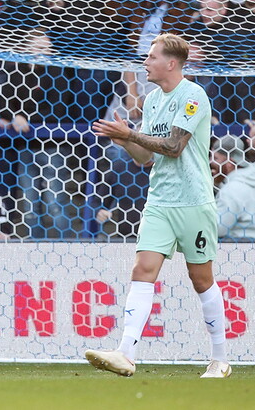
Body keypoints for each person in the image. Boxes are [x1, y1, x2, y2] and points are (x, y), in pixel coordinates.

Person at [88, 33, 231, 379]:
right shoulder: (152, 100)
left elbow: (174, 147)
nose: (145, 62)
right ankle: (125, 353)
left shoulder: (193, 96)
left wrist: (131, 134)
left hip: (193, 201)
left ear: (171, 63)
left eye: (152, 57)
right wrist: (124, 140)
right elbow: (146, 158)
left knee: (201, 279)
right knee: (143, 269)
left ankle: (220, 359)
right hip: (160, 200)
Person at [212, 135, 255, 241]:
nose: (211, 162)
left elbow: (218, 228)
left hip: (239, 247)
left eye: (216, 158)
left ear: (229, 163)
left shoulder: (230, 190)